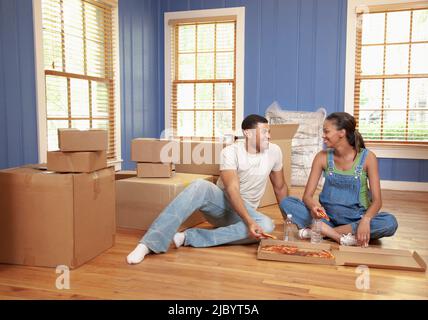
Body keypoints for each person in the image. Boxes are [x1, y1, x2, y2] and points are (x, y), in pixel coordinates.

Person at [127, 114, 288, 264]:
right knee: (200, 185)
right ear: (248, 133)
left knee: (267, 226)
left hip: (247, 212)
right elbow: (232, 189)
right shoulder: (230, 153)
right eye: (265, 132)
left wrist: (289, 222)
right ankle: (149, 243)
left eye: (269, 132)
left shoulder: (274, 152)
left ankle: (188, 237)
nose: (269, 136)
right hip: (223, 207)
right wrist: (250, 221)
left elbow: (280, 187)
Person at [280, 112, 398, 247]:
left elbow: (377, 201)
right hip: (327, 219)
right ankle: (338, 236)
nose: (323, 135)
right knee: (287, 203)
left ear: (342, 132)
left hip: (356, 220)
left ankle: (321, 233)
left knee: (390, 222)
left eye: (326, 131)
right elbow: (307, 196)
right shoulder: (322, 157)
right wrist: (314, 207)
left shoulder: (368, 158)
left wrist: (366, 220)